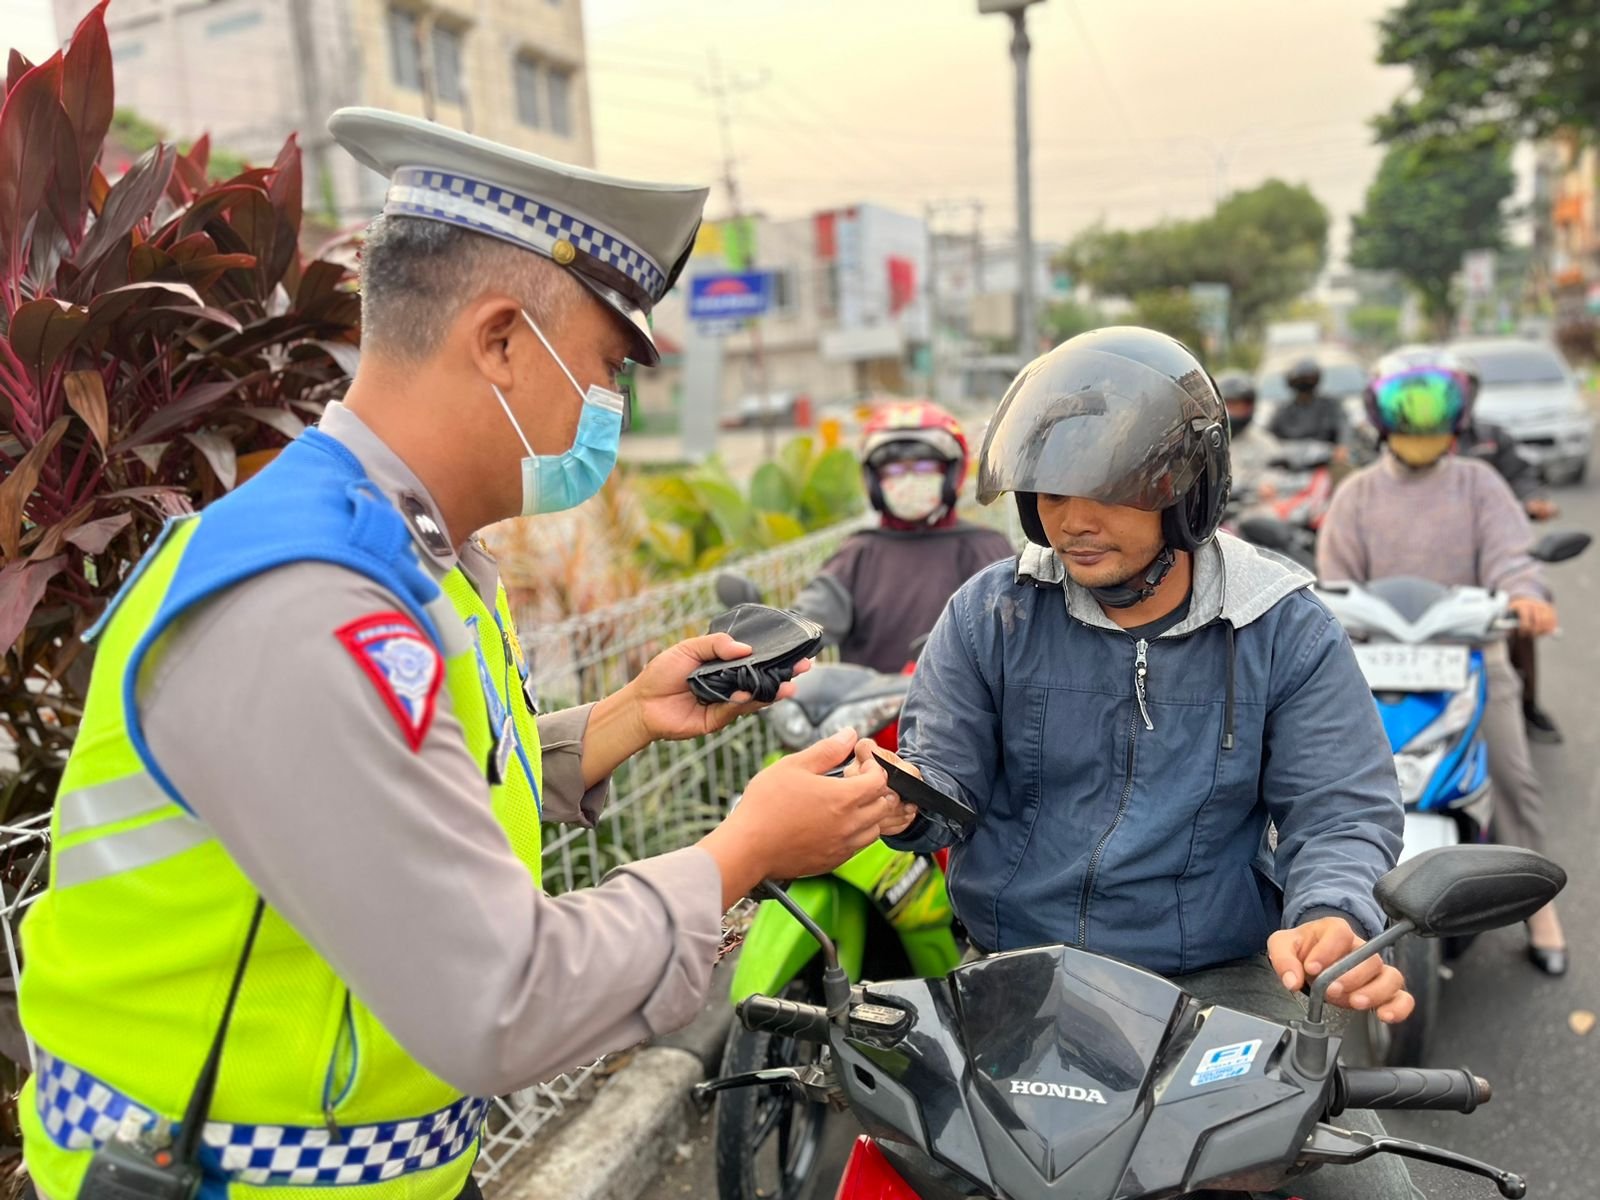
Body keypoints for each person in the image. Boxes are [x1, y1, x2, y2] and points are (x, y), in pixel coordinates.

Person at [17, 109, 911, 1200]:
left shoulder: (414, 558)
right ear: (497, 339)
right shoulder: (309, 599)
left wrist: (628, 715)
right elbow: (502, 998)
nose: (611, 409)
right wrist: (746, 850)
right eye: (601, 368)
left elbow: (407, 798)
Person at [861, 327, 1414, 1200]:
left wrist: (1333, 913)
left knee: (1365, 1185)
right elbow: (941, 774)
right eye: (1050, 491)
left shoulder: (1281, 627)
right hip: (1018, 975)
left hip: (1219, 979)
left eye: (1108, 491)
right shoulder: (991, 614)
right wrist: (891, 798)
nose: (1071, 520)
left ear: (1187, 493)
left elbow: (1340, 810)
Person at [1317, 353, 1567, 975]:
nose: (1421, 429)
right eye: (1408, 413)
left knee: (1513, 777)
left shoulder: (1480, 485)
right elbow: (1335, 581)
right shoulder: (1356, 496)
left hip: (1469, 657)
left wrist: (1527, 597)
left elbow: (1513, 557)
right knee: (1337, 781)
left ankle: (1539, 909)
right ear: (1381, 420)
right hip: (1379, 665)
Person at [788, 401, 1014, 673]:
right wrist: (777, 641)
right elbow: (808, 620)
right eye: (894, 471)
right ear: (874, 481)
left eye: (923, 469)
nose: (908, 480)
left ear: (952, 472)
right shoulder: (858, 554)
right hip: (871, 711)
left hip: (966, 711)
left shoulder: (985, 548)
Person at [1452, 357, 1564, 744]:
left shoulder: (1492, 438)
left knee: (1520, 620)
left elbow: (1522, 476)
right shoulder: (1384, 469)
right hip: (1431, 566)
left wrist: (1533, 500)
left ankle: (1527, 705)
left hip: (1491, 553)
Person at [1217, 370, 1281, 485]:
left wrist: (1265, 485)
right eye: (1231, 405)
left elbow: (1278, 474)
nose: (1236, 411)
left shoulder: (1264, 442)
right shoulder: (1208, 444)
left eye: (1241, 406)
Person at [1268, 357, 1347, 447]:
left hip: (1325, 456)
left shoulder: (1330, 405)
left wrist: (1342, 445)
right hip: (1291, 457)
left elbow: (1343, 426)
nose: (1305, 383)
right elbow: (1270, 434)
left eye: (1309, 379)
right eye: (1301, 380)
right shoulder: (1284, 410)